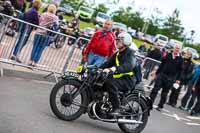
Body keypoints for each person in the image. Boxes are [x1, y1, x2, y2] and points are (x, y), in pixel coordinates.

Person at [100, 32, 136, 115]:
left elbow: (129, 65)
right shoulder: (117, 54)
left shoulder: (130, 53)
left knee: (110, 83)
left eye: (119, 40)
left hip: (128, 80)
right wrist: (96, 68)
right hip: (119, 78)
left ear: (125, 42)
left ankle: (117, 108)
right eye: (116, 40)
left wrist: (114, 68)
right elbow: (107, 63)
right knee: (100, 81)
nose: (117, 42)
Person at [149, 43, 183, 111]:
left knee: (164, 93)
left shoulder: (180, 59)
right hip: (162, 75)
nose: (177, 49)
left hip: (171, 78)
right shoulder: (168, 55)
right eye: (176, 48)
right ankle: (149, 104)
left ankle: (160, 106)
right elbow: (162, 64)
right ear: (173, 48)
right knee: (155, 89)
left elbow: (180, 70)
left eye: (178, 48)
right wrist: (156, 73)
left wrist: (178, 79)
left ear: (180, 50)